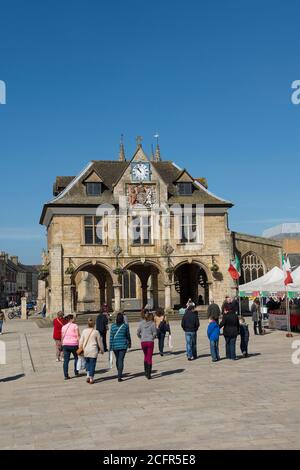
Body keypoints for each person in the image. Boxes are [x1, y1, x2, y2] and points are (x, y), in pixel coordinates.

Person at [79, 317, 104, 384]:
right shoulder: (96, 332)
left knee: (87, 363)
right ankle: (91, 378)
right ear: (94, 325)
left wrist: (80, 348)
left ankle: (87, 376)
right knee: (92, 364)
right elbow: (99, 342)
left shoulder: (84, 331)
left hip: (86, 350)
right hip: (93, 350)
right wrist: (102, 349)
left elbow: (81, 341)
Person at [110, 312, 131, 382]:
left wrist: (110, 346)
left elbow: (111, 337)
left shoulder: (112, 326)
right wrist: (130, 343)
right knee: (121, 360)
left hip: (115, 346)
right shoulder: (125, 326)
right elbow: (128, 335)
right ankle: (119, 375)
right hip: (123, 345)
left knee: (117, 359)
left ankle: (119, 372)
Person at [137, 310, 157, 379]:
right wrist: (152, 338)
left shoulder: (141, 323)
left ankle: (145, 371)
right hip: (150, 341)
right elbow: (155, 333)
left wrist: (141, 337)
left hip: (143, 342)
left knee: (145, 356)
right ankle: (148, 374)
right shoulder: (153, 323)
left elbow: (138, 332)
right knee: (149, 357)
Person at [61, 315, 80, 380]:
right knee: (76, 358)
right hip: (74, 344)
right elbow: (78, 336)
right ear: (71, 319)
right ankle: (76, 371)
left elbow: (62, 337)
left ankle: (66, 375)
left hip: (65, 345)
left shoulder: (63, 327)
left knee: (66, 361)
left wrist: (62, 345)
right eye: (74, 318)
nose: (74, 319)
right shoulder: (75, 326)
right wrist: (80, 344)